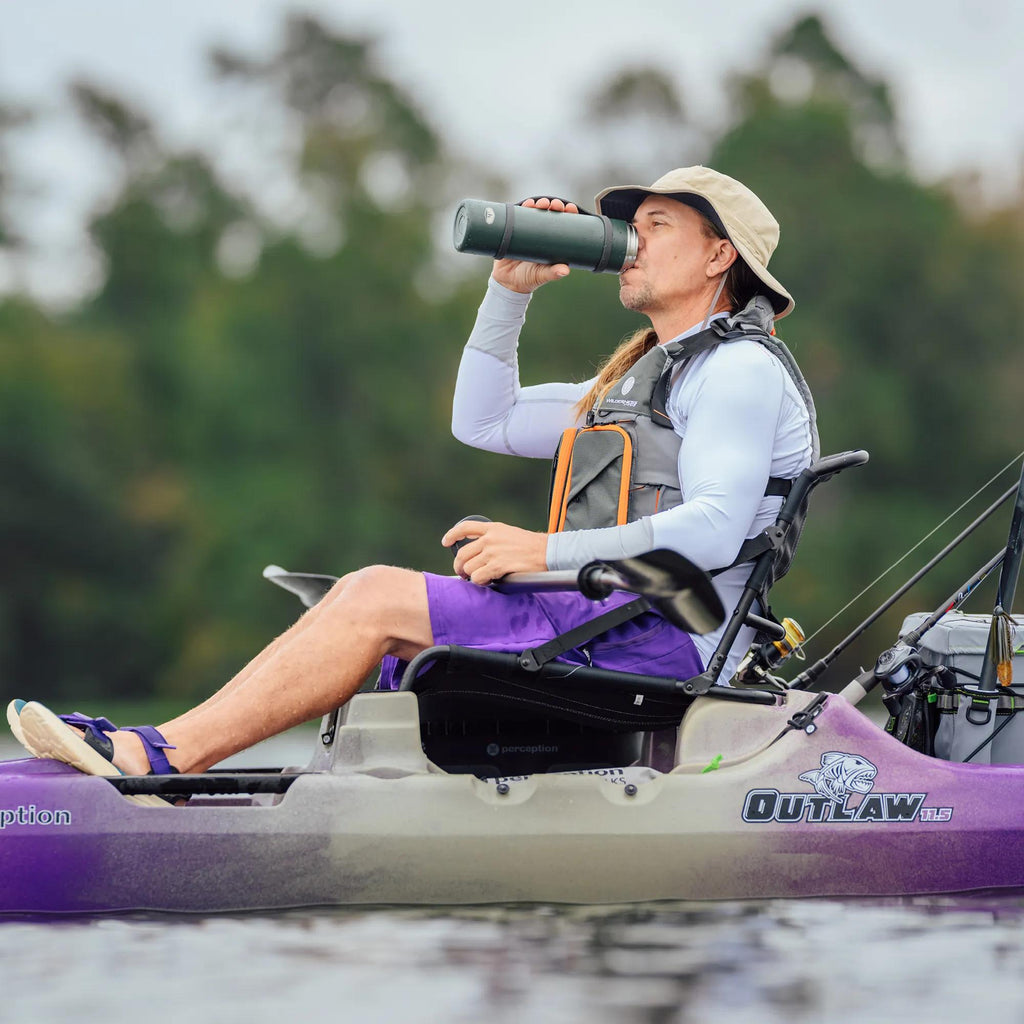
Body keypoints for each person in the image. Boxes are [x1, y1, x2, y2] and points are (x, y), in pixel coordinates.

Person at [8, 165, 814, 781]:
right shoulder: (643, 377)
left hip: (665, 643)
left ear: (718, 255)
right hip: (606, 621)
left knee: (371, 595)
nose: (631, 241)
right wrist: (508, 294)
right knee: (354, 595)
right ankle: (164, 754)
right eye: (630, 226)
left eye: (657, 226)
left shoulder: (739, 370)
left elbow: (711, 534)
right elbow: (484, 421)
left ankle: (157, 758)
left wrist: (540, 553)